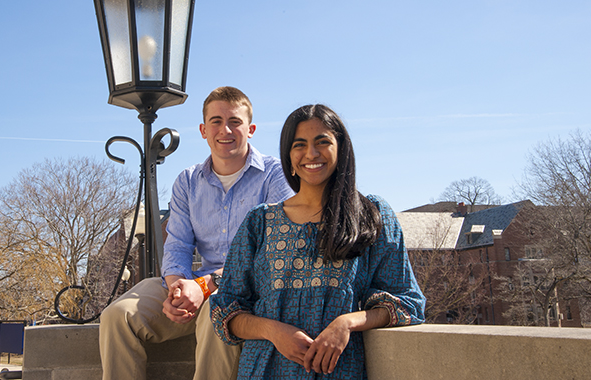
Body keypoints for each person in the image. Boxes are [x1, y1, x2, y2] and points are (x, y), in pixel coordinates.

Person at [211, 104, 426, 379]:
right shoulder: (259, 222)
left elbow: (408, 302)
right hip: (264, 369)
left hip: (339, 371)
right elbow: (225, 310)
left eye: (322, 142)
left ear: (342, 150)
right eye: (299, 145)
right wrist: (273, 331)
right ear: (289, 157)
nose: (311, 154)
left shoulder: (371, 215)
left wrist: (346, 323)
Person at [99, 86, 294, 380]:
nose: (224, 130)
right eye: (216, 121)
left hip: (247, 292)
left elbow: (273, 252)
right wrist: (177, 287)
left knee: (217, 312)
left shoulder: (275, 175)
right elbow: (177, 245)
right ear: (203, 130)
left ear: (251, 129)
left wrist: (204, 285)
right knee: (117, 316)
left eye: (235, 122)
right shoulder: (188, 181)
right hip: (194, 286)